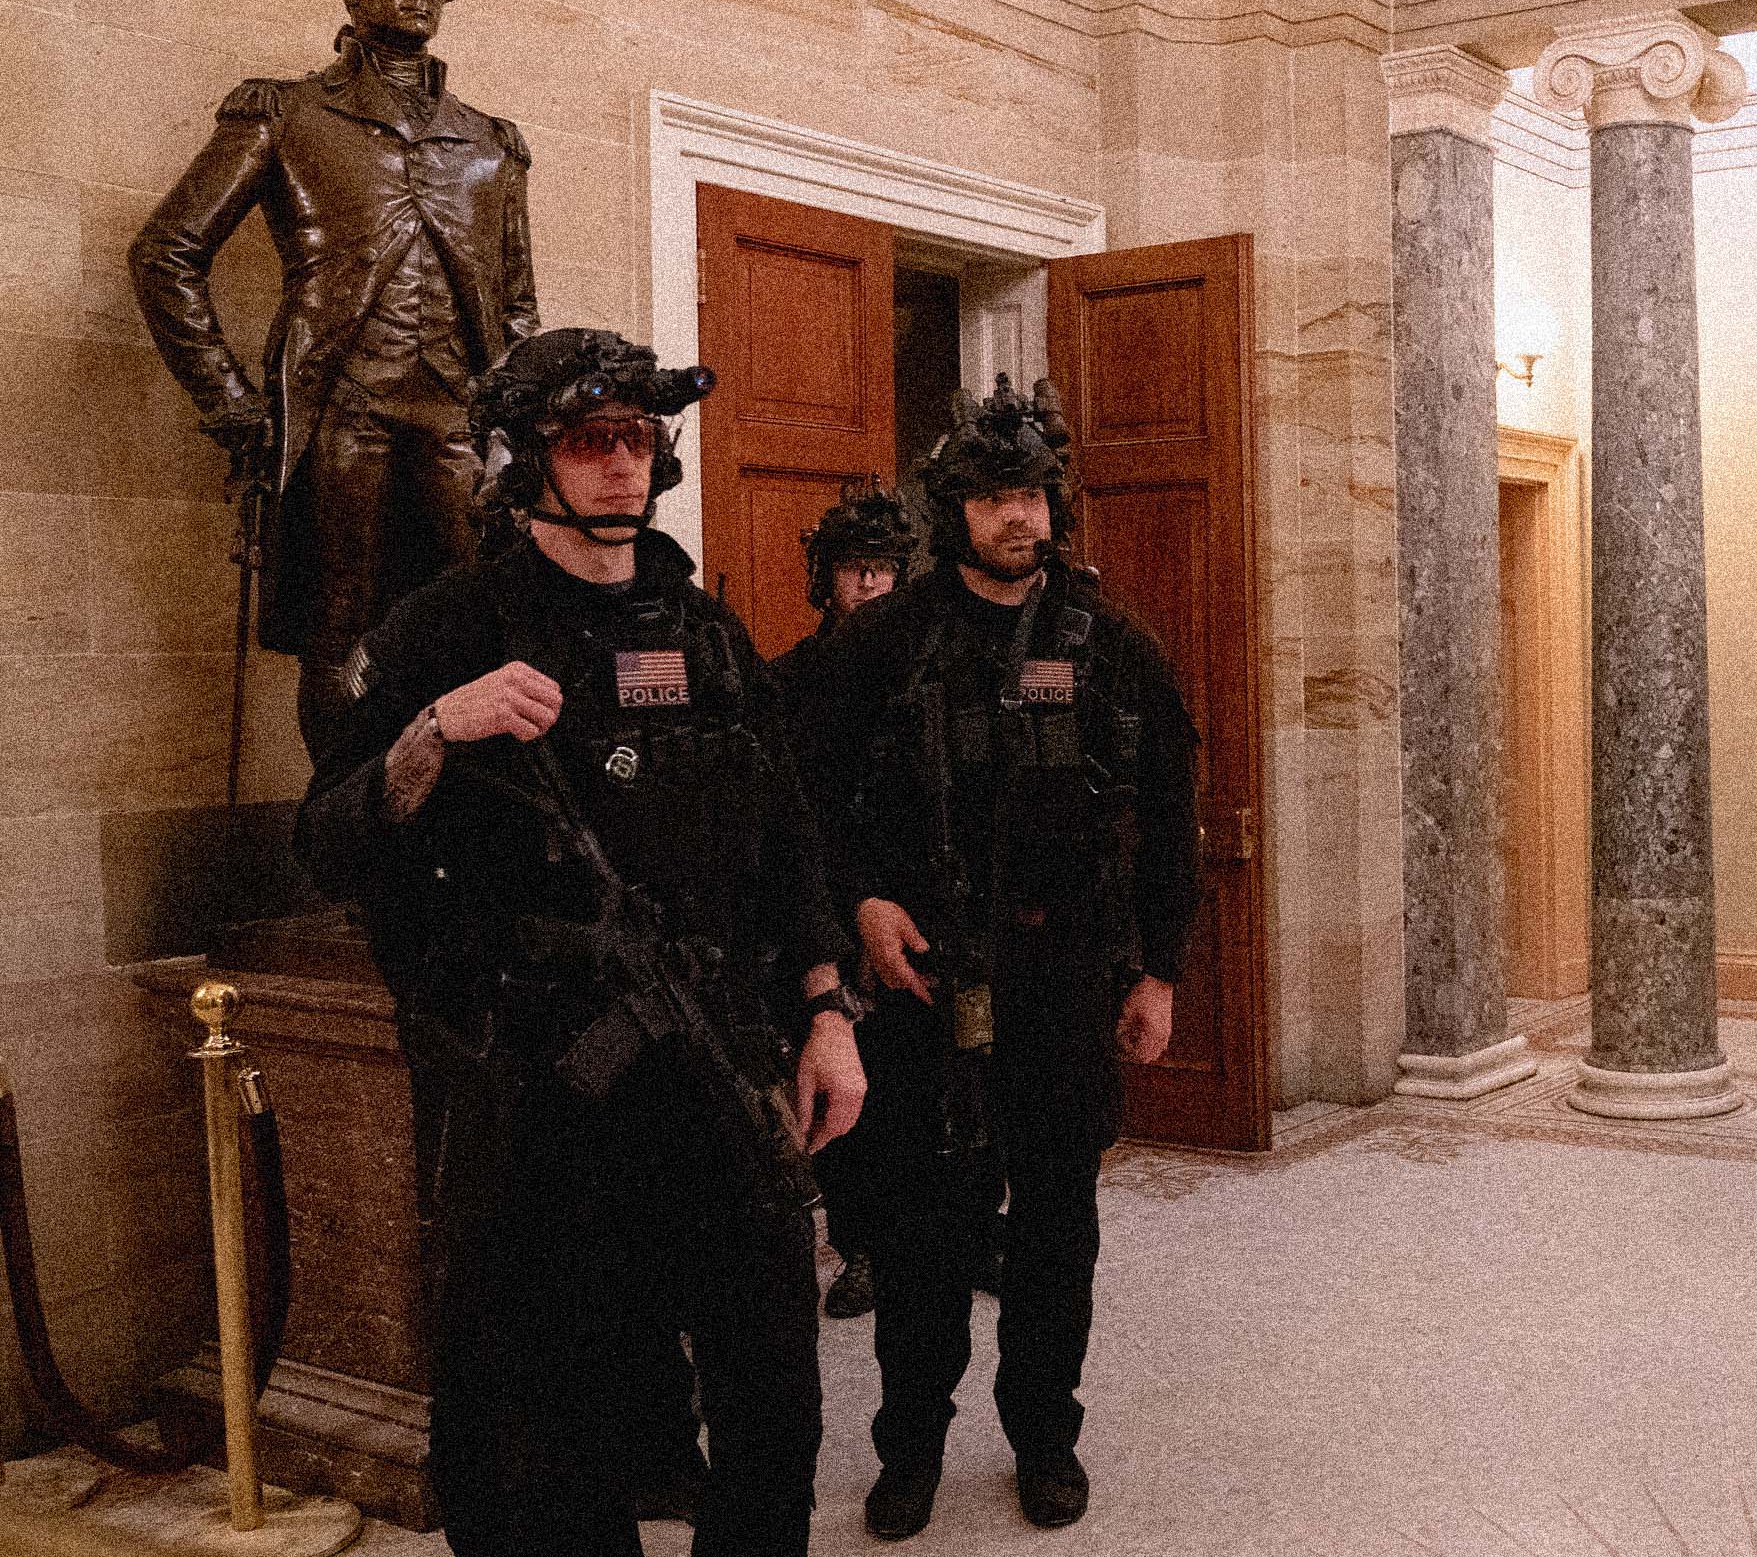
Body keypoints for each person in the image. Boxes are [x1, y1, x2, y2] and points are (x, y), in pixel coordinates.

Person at [293, 328, 865, 1557]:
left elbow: (789, 842)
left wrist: (826, 1010)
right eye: (589, 439)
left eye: (639, 438)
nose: (622, 462)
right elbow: (327, 838)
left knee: (774, 1391)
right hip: (539, 1097)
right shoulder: (445, 627)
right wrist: (434, 730)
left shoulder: (702, 631)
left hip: (715, 1061)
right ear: (526, 460)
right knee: (549, 1417)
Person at [782, 376, 1200, 1541]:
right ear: (952, 507)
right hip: (923, 991)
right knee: (920, 1240)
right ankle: (909, 1444)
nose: (1019, 516)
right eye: (993, 495)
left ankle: (1045, 1437)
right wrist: (859, 904)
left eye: (1032, 493)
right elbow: (803, 809)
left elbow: (1171, 814)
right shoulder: (880, 644)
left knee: (1057, 1230)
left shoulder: (1112, 642)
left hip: (1065, 984)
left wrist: (1157, 969)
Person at [128, 0, 538, 754]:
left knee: (485, 618)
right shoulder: (284, 114)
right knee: (340, 626)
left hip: (461, 419)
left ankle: (472, 824)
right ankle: (353, 822)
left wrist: (523, 429)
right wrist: (233, 403)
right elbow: (165, 252)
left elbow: (519, 307)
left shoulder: (491, 144)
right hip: (343, 414)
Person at [774, 480, 920, 1320]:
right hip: (828, 904)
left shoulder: (928, 674)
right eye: (853, 570)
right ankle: (859, 1246)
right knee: (846, 1090)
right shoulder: (791, 680)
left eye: (883, 569)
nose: (868, 586)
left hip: (914, 903)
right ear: (826, 577)